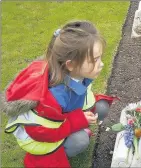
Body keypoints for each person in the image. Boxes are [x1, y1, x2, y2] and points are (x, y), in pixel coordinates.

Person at [1, 20, 118, 167]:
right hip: (39, 136)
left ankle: (73, 133)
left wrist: (80, 117)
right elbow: (41, 132)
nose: (101, 64)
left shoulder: (77, 73)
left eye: (100, 57)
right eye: (94, 60)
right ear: (70, 64)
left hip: (62, 118)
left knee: (101, 108)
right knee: (80, 141)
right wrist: (79, 121)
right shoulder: (53, 98)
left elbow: (80, 97)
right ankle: (58, 150)